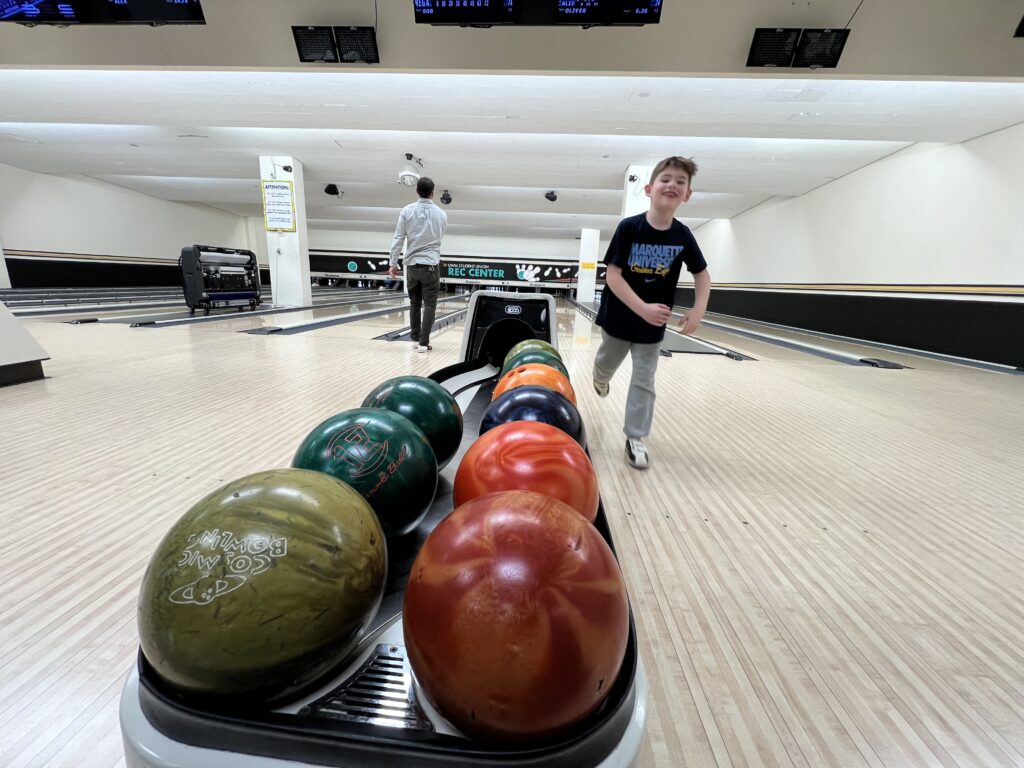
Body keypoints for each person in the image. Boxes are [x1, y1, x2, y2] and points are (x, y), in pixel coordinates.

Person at [592, 156, 711, 469]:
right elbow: (613, 275)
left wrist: (698, 309)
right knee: (607, 362)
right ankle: (600, 378)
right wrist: (641, 307)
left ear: (687, 195)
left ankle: (635, 437)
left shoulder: (682, 235)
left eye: (680, 182)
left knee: (645, 380)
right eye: (666, 179)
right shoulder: (629, 228)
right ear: (649, 188)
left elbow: (702, 274)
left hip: (652, 325)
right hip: (620, 317)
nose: (672, 185)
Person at [389, 177, 447, 352]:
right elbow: (439, 237)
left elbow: (398, 238)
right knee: (430, 305)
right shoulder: (442, 214)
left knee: (414, 303)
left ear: (417, 191)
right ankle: (423, 343)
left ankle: (414, 340)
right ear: (433, 192)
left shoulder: (406, 211)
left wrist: (393, 262)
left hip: (412, 266)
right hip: (431, 265)